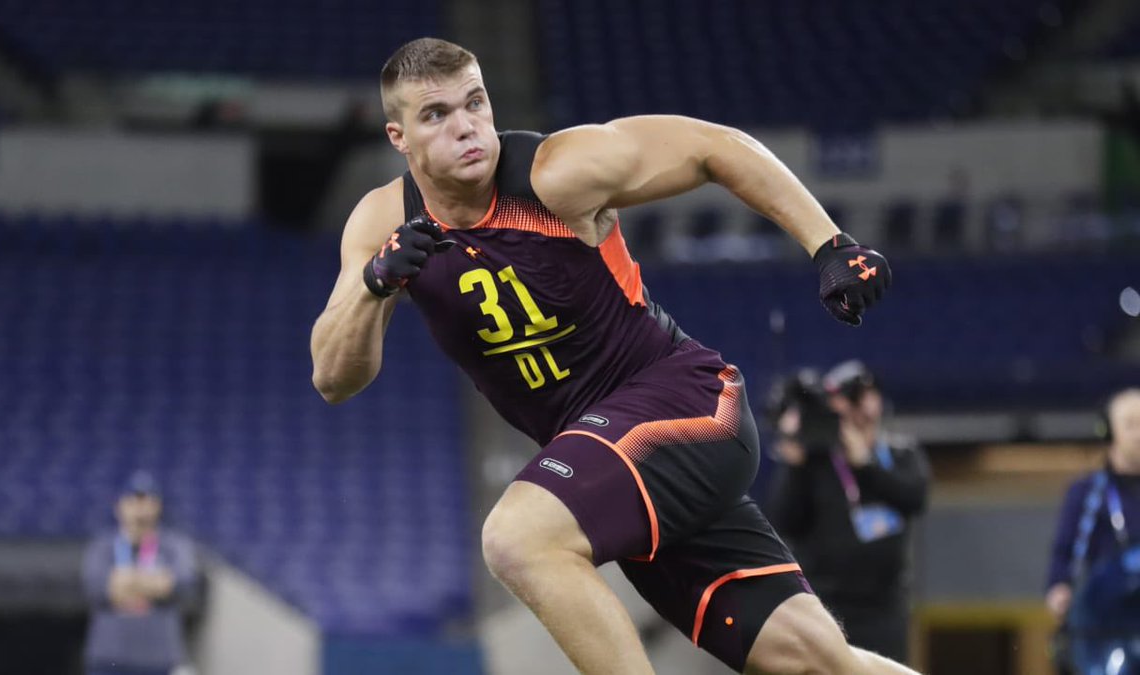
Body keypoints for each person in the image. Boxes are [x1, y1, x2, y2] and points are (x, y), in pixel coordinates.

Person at [310, 37, 914, 674]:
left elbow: (712, 146)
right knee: (819, 662)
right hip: (615, 459)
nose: (467, 128)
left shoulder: (556, 172)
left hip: (687, 406)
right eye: (436, 115)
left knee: (519, 538)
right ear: (398, 137)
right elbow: (333, 377)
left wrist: (829, 244)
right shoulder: (382, 222)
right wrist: (376, 285)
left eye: (476, 103)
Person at [766, 361, 930, 663]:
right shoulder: (815, 465)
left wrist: (866, 465)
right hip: (826, 608)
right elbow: (785, 519)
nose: (859, 411)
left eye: (866, 397)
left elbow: (915, 497)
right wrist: (795, 460)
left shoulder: (898, 455)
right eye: (850, 399)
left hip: (884, 607)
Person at [1046, 388, 1140, 673]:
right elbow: (1064, 551)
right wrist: (1058, 586)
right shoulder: (1086, 494)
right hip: (1104, 626)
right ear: (1108, 432)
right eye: (1131, 424)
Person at [82, 471, 200, 675]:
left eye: (147, 501)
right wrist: (154, 582)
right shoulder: (102, 546)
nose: (141, 509)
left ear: (158, 506)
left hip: (159, 658)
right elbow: (98, 587)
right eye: (134, 501)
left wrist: (125, 581)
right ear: (119, 506)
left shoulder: (175, 546)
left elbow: (179, 584)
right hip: (109, 659)